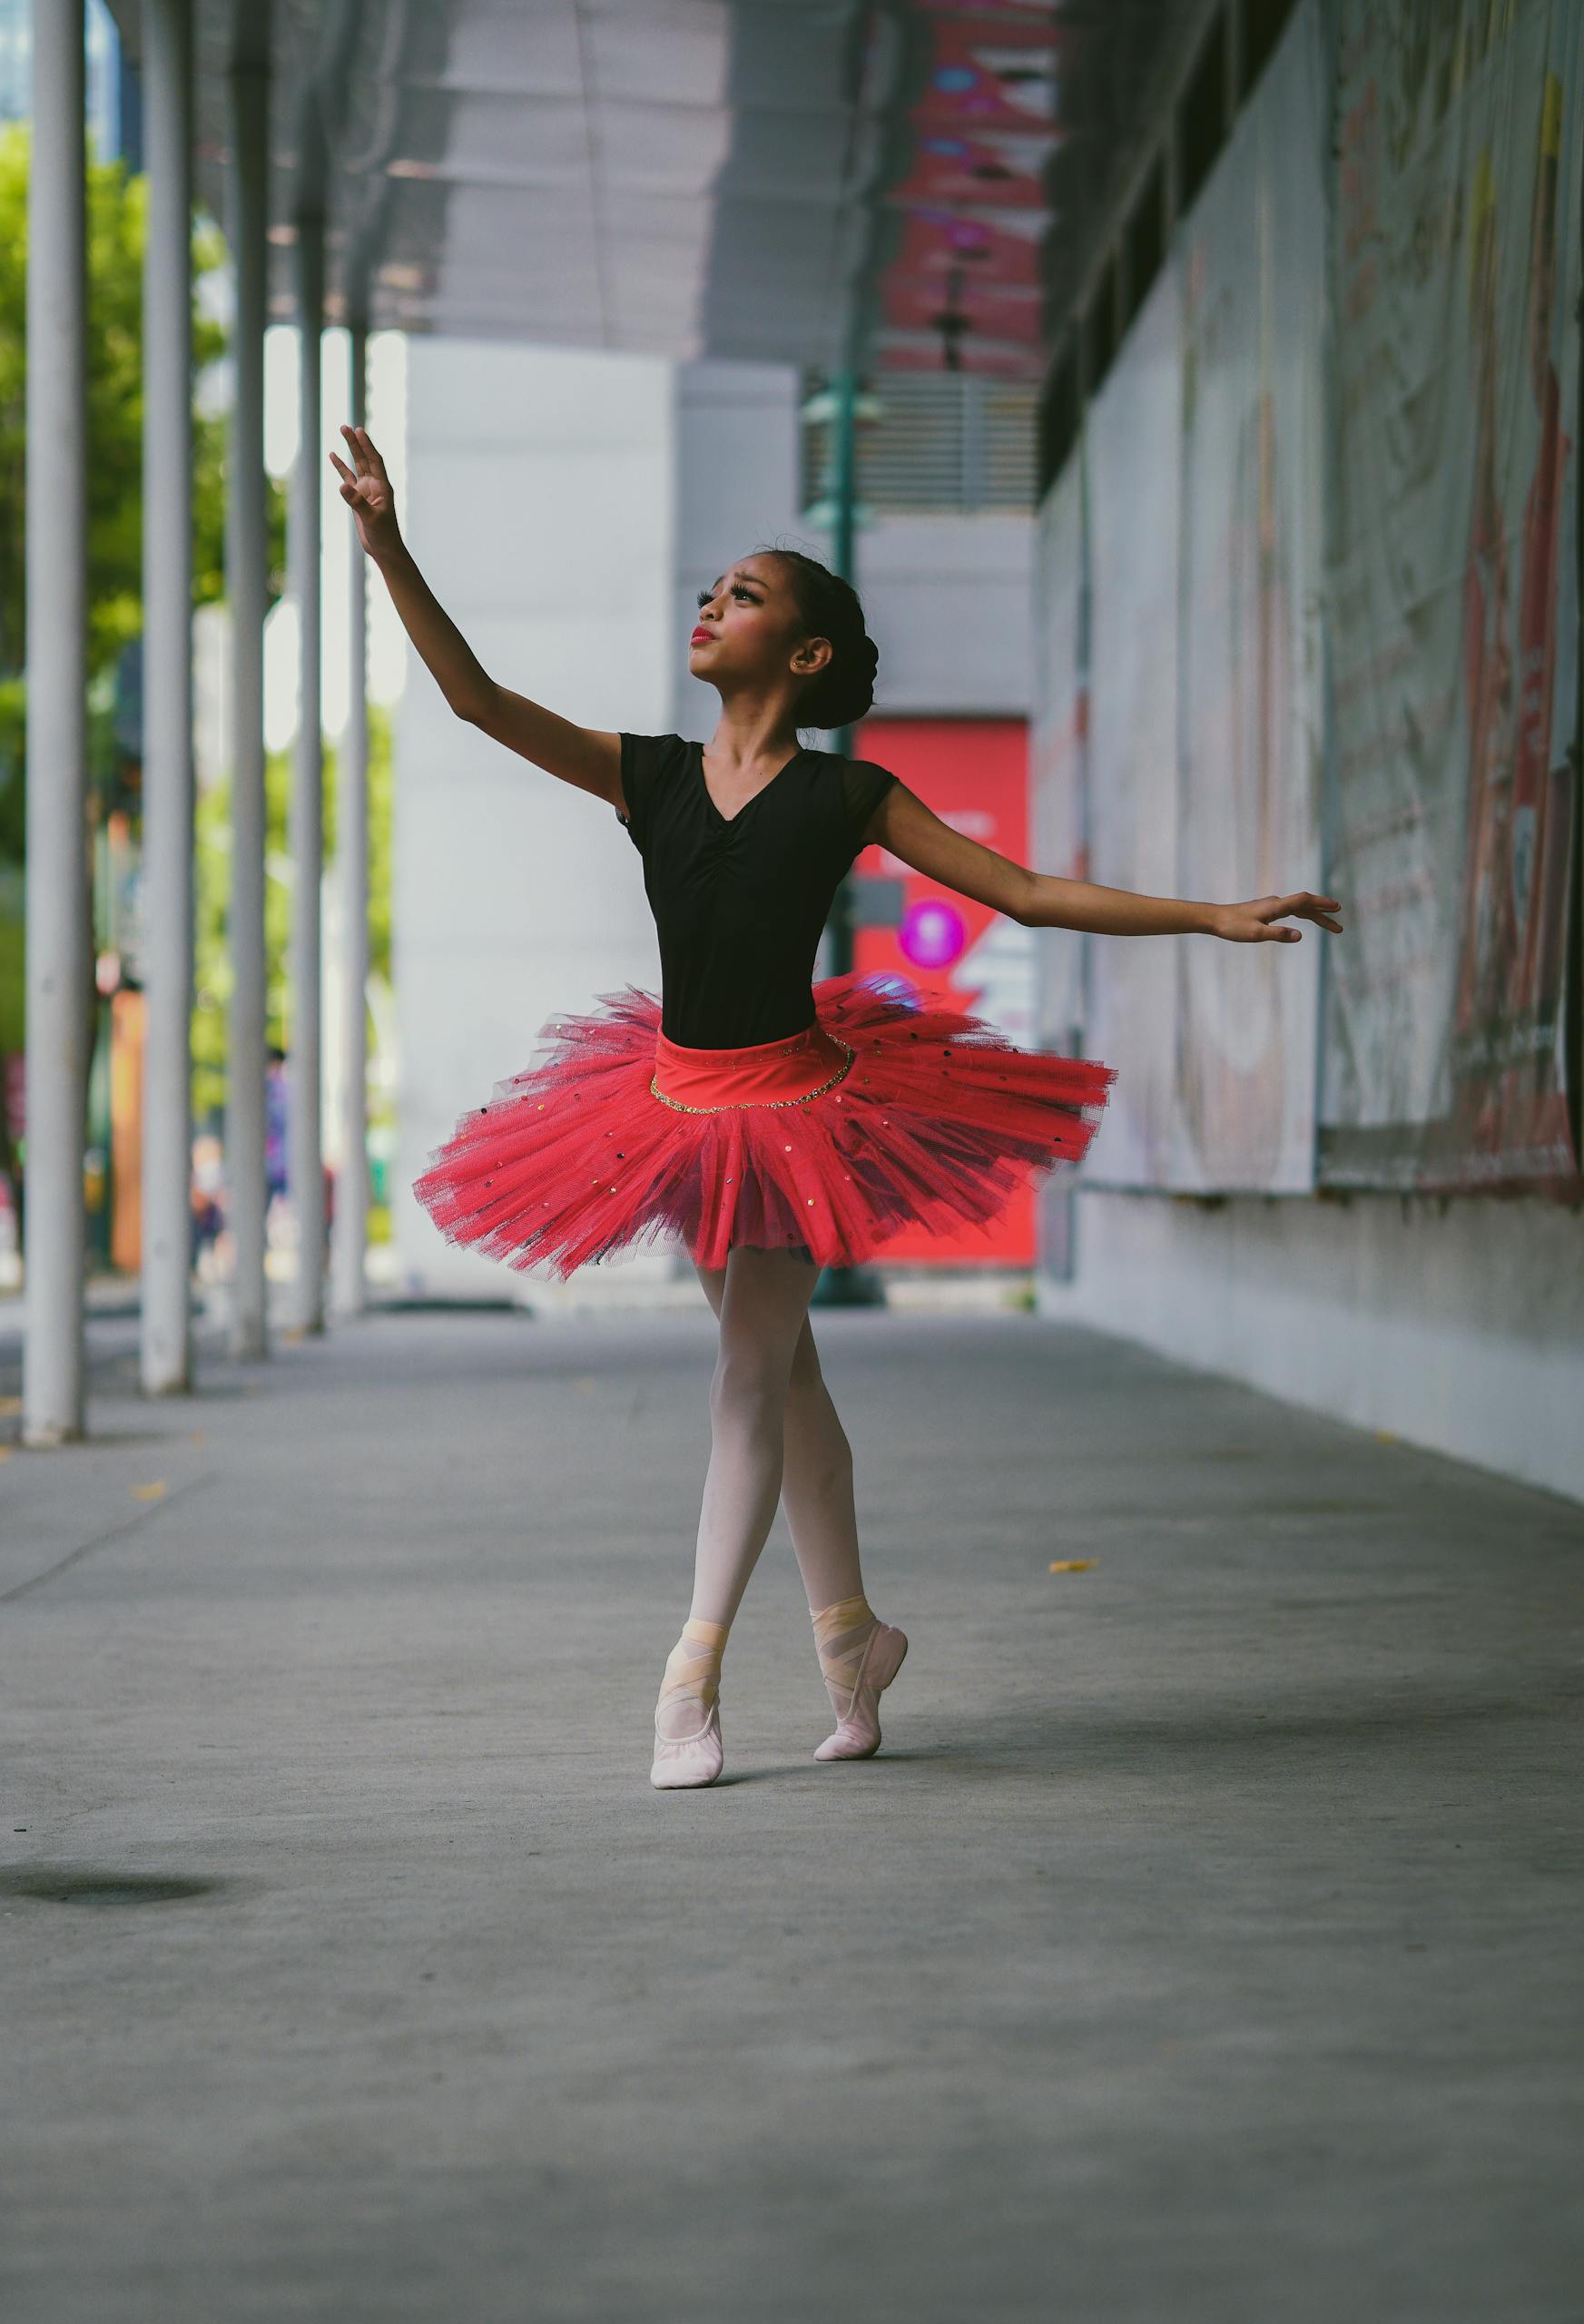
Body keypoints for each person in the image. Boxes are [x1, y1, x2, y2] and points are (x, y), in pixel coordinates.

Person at [330, 421, 1343, 1792]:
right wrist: (390, 543)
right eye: (713, 589)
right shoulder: (652, 775)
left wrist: (1212, 914)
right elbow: (475, 702)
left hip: (802, 1113)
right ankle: (853, 1638)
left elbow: (1026, 892)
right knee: (785, 1374)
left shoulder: (849, 791)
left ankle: (688, 1676)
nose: (711, 603)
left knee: (748, 1374)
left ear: (804, 656)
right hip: (673, 1111)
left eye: (742, 595)